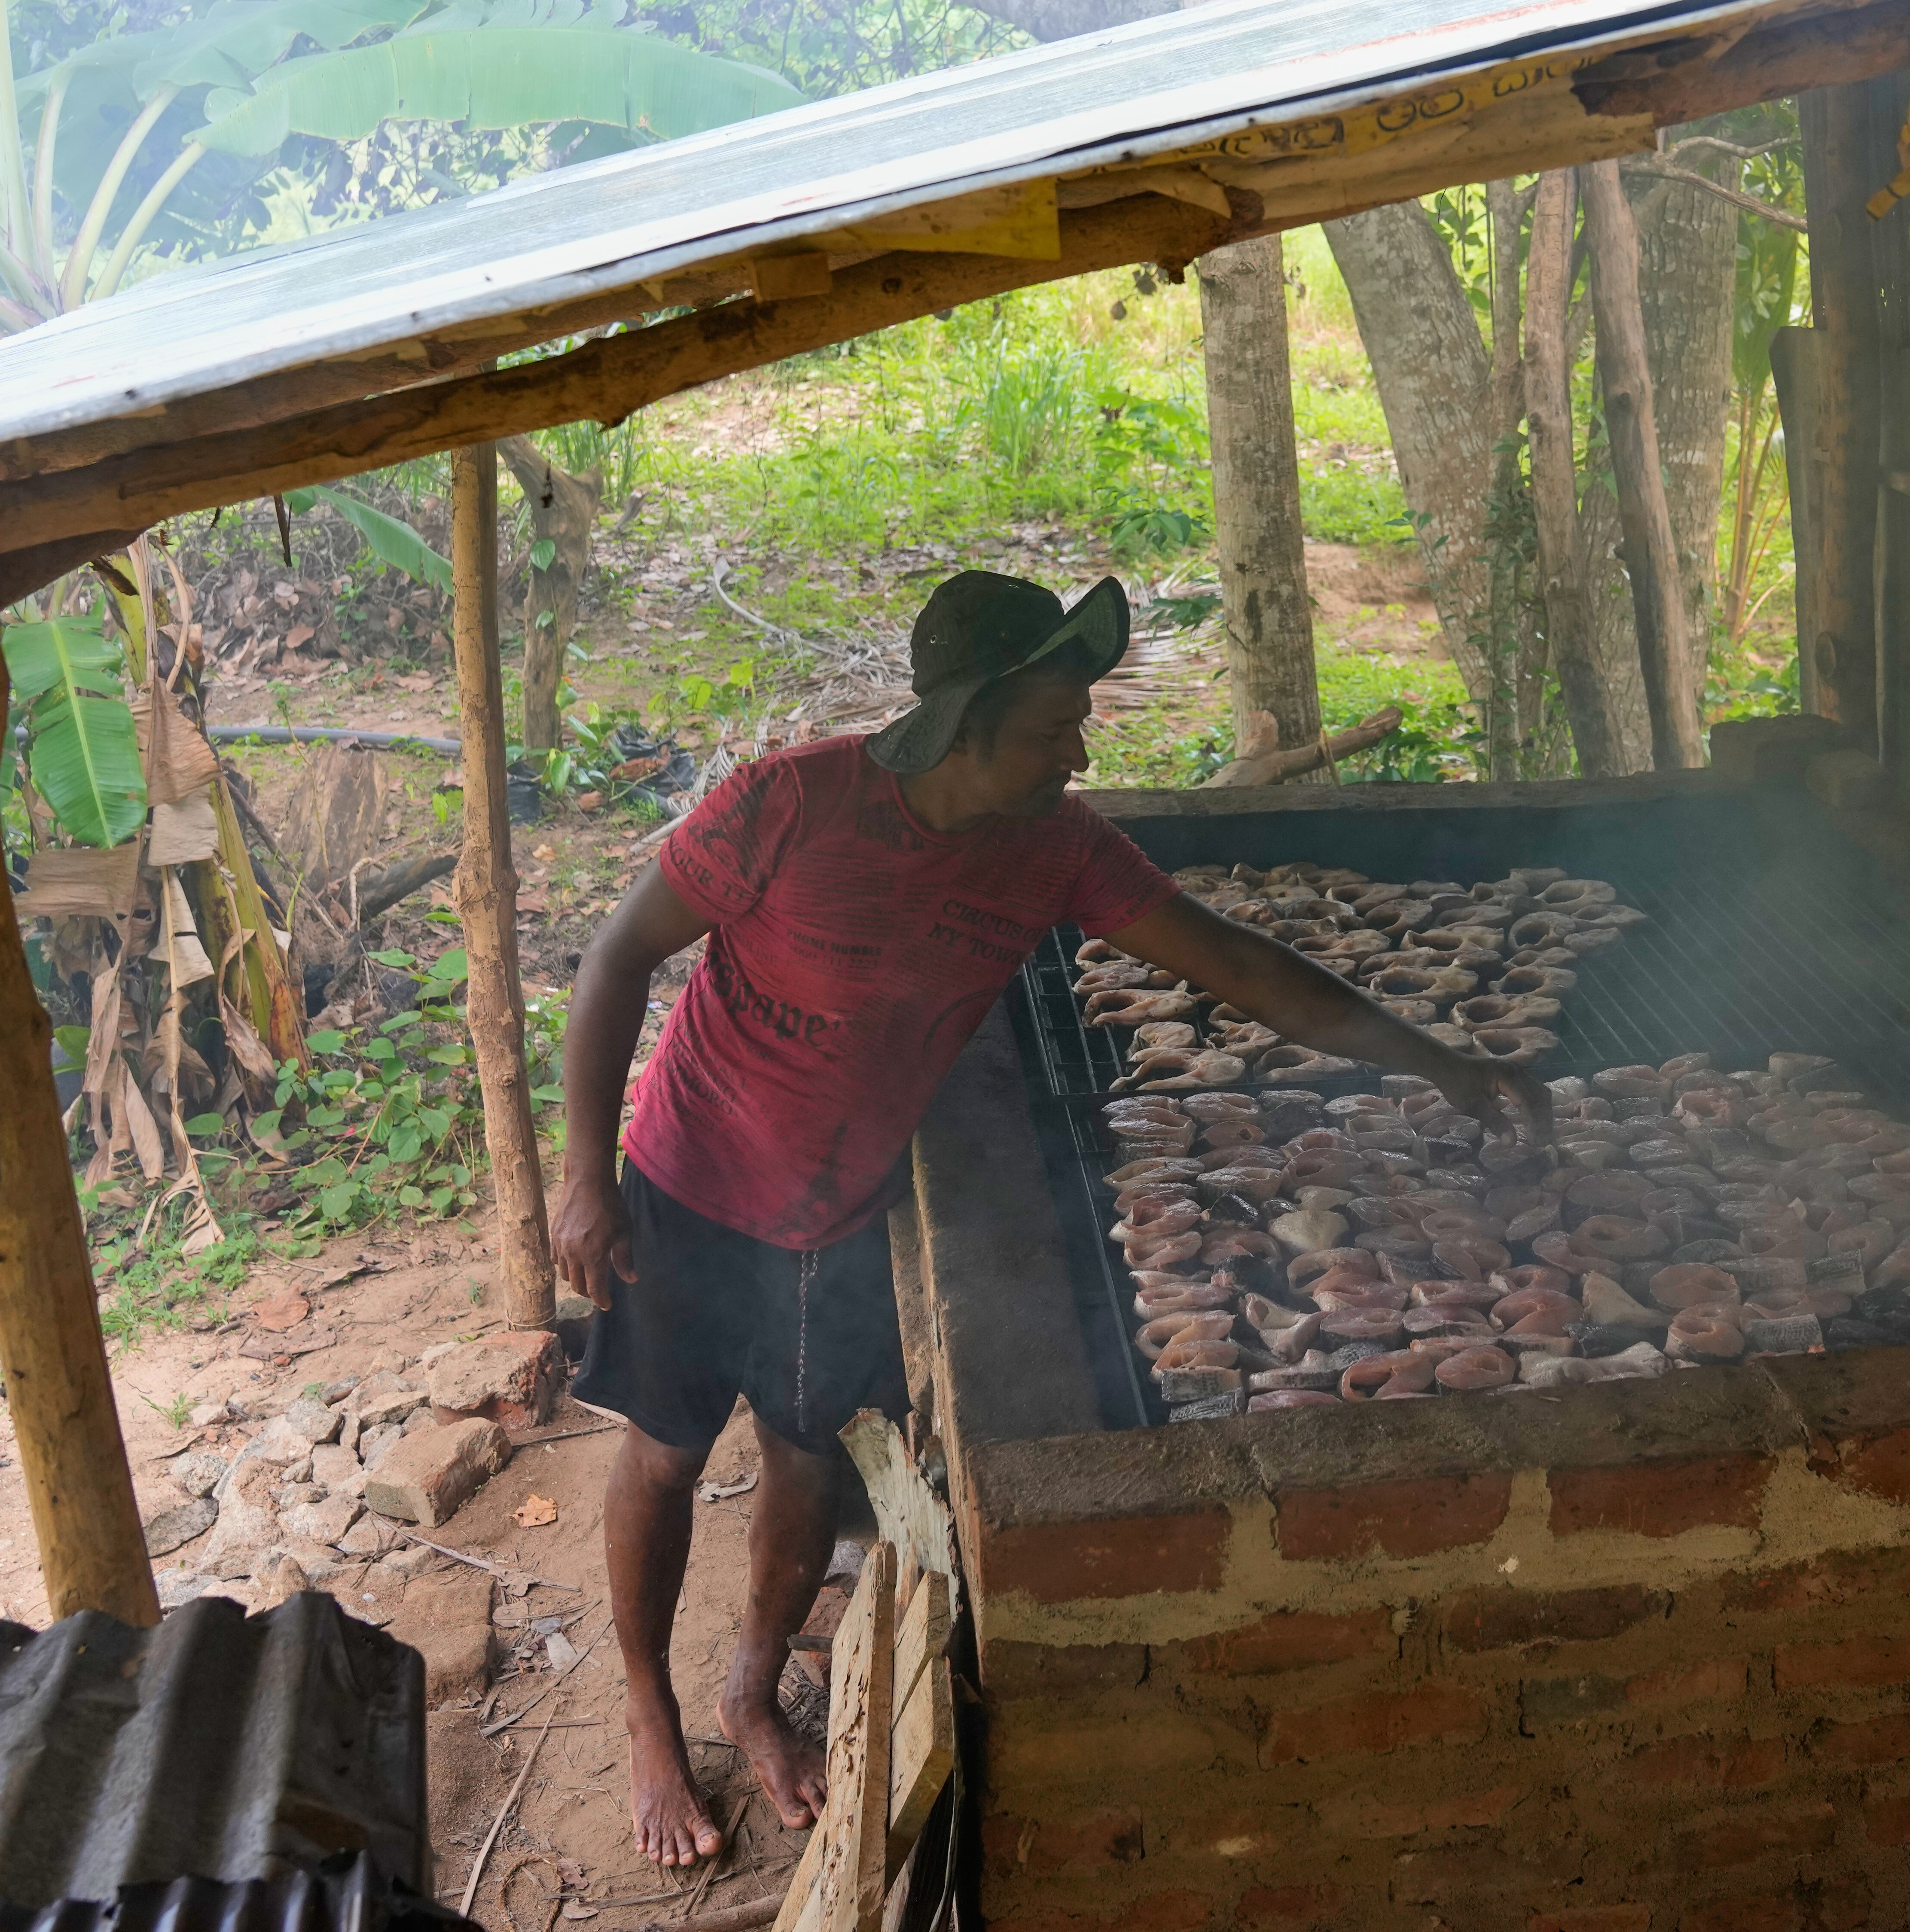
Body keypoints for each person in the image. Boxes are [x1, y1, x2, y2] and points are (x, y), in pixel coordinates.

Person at [551, 569, 1555, 1866]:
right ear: (959, 725)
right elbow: (618, 957)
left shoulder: (1058, 849)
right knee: (668, 1450)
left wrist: (1444, 1063)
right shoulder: (787, 804)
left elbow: (1242, 969)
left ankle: (750, 1688)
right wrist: (584, 1170)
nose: (1078, 749)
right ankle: (648, 1713)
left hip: (846, 1206)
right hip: (692, 1180)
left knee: (805, 1452)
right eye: (1050, 727)